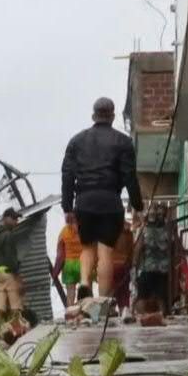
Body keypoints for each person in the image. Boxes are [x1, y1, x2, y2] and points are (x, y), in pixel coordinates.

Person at [61, 97, 143, 302]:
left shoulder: (76, 141)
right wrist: (138, 206)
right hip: (110, 202)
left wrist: (67, 207)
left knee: (87, 247)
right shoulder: (123, 142)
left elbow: (67, 174)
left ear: (93, 116)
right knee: (105, 251)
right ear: (113, 116)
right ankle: (103, 301)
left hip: (84, 202)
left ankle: (84, 284)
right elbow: (129, 176)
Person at [133, 202, 175, 323]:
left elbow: (138, 249)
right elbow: (173, 248)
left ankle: (142, 317)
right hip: (163, 269)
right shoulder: (168, 230)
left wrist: (134, 266)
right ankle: (161, 317)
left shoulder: (144, 230)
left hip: (147, 268)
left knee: (142, 296)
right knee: (161, 296)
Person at [0, 208, 25, 332]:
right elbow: (10, 258)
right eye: (13, 218)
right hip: (8, 273)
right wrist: (18, 276)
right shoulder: (8, 235)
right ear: (5, 219)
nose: (16, 222)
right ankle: (17, 330)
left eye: (17, 219)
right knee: (15, 304)